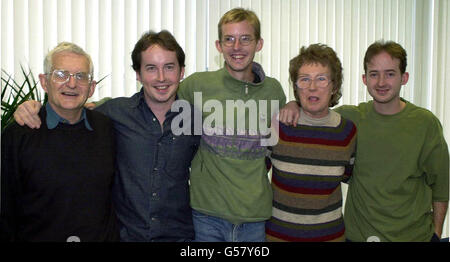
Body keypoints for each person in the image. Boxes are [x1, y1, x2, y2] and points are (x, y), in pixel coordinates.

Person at [12, 31, 200, 242]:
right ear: (138, 74)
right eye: (150, 68)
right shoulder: (113, 114)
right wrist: (30, 107)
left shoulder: (197, 120)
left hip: (180, 237)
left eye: (169, 67)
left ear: (182, 72)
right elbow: (70, 108)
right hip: (125, 236)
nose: (161, 78)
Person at [278, 40, 449, 242]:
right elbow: (316, 110)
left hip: (413, 237)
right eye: (374, 74)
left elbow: (442, 185)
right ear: (364, 79)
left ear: (404, 78)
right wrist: (293, 104)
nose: (381, 82)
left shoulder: (425, 123)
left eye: (390, 74)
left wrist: (437, 232)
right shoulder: (349, 120)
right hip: (358, 236)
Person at [177, 8, 286, 242]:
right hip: (207, 217)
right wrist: (97, 105)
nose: (237, 47)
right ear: (219, 45)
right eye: (229, 39)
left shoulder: (274, 91)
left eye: (245, 39)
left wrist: (295, 104)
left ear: (259, 44)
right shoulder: (196, 85)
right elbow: (157, 99)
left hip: (254, 218)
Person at [1, 42, 119, 241]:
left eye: (81, 76)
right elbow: (5, 208)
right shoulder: (18, 135)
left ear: (91, 88)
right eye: (61, 74)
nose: (72, 84)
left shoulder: (108, 128)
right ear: (45, 82)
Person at [265, 44, 357, 242]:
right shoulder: (278, 125)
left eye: (321, 79)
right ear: (296, 86)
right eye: (304, 79)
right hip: (279, 237)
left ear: (334, 86)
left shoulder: (347, 132)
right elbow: (255, 176)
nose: (312, 87)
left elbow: (349, 176)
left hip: (329, 237)